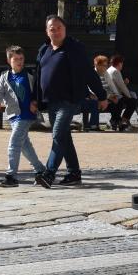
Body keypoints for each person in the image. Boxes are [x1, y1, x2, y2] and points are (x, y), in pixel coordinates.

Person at [35, 15, 106, 188]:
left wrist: (102, 95)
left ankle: (49, 174)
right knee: (64, 136)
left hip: (70, 100)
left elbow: (89, 73)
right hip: (51, 101)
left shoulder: (75, 48)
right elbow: (38, 76)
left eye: (59, 27)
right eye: (52, 28)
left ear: (65, 29)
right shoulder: (44, 49)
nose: (56, 31)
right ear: (47, 31)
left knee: (58, 134)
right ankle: (74, 173)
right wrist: (34, 99)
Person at [0, 46, 45, 188]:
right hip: (13, 115)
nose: (19, 62)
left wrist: (35, 102)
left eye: (21, 59)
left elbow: (39, 92)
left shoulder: (30, 75)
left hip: (26, 115)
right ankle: (41, 171)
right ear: (9, 60)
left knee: (14, 144)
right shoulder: (5, 76)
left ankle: (11, 176)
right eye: (16, 59)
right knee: (24, 146)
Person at [106, 55, 138, 129]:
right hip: (114, 96)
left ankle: (116, 120)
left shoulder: (110, 69)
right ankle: (124, 120)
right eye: (122, 63)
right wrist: (129, 96)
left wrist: (124, 83)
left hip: (112, 94)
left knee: (130, 99)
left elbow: (118, 84)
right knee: (134, 101)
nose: (122, 65)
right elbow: (122, 87)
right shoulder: (116, 71)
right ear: (119, 63)